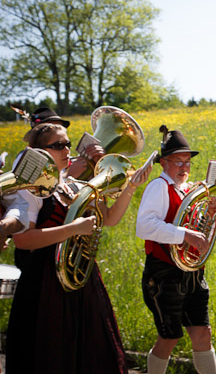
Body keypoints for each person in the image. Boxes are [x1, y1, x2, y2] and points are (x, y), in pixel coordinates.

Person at [5, 122, 152, 373]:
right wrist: (73, 229)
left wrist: (131, 186)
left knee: (93, 351)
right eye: (58, 145)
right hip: (44, 282)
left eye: (68, 144)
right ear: (42, 152)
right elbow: (23, 240)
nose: (67, 150)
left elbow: (111, 219)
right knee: (49, 354)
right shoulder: (33, 189)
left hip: (81, 279)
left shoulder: (76, 184)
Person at [136, 125, 216, 374]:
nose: (184, 168)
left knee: (203, 333)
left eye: (187, 162)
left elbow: (196, 227)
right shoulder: (158, 187)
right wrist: (186, 235)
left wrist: (210, 213)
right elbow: (145, 227)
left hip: (192, 272)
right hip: (164, 273)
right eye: (177, 162)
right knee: (169, 337)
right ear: (163, 163)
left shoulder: (188, 189)